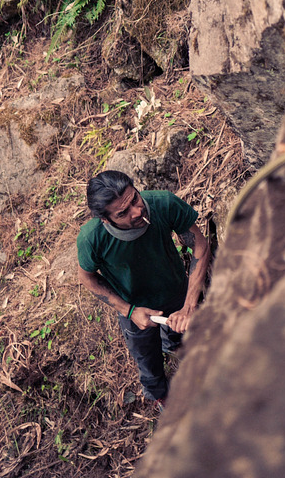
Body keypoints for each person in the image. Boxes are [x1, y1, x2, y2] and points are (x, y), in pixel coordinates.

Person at [76, 170, 210, 408]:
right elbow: (87, 278)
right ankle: (160, 394)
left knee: (177, 330)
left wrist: (189, 306)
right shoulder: (91, 238)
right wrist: (128, 310)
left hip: (176, 290)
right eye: (123, 213)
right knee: (146, 356)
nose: (137, 211)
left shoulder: (163, 203)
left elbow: (199, 244)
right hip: (135, 306)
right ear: (106, 219)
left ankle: (173, 344)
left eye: (135, 199)